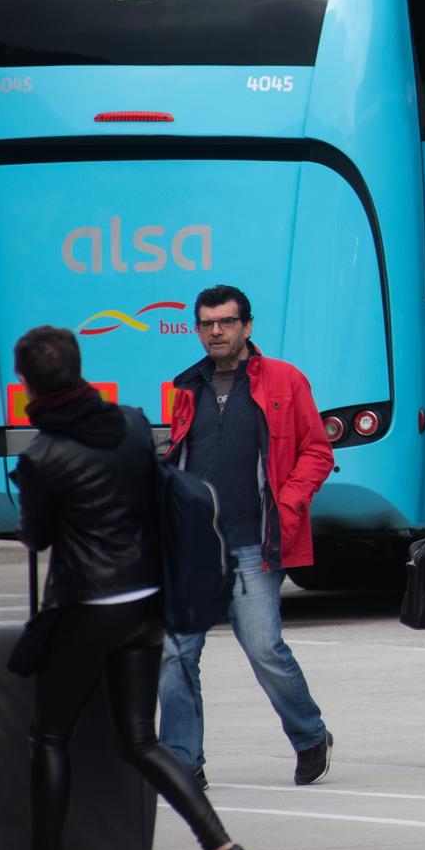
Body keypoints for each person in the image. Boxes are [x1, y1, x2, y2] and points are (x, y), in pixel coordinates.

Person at [4, 326, 256, 850]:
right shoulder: (131, 423)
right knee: (140, 739)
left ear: (27, 384)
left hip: (87, 606)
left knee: (49, 737)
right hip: (146, 600)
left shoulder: (43, 456)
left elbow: (36, 537)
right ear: (79, 368)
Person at [157, 286, 335, 789]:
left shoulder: (284, 379)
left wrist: (291, 501)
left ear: (247, 326)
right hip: (193, 547)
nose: (216, 331)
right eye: (207, 323)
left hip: (254, 540)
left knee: (263, 647)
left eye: (226, 322)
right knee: (176, 654)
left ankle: (309, 735)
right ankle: (183, 759)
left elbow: (317, 451)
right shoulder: (187, 385)